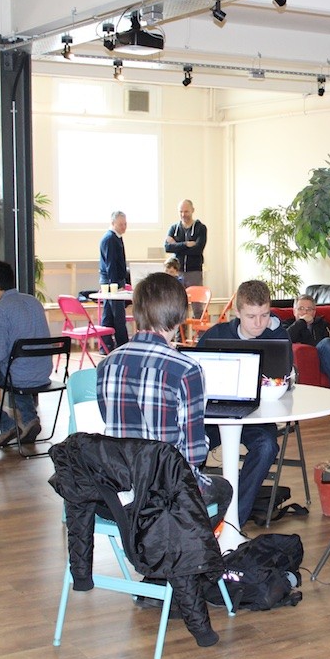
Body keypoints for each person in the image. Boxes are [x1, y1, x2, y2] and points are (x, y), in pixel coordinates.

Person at [96, 272, 232, 523]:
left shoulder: (107, 363)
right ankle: (180, 546)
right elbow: (194, 455)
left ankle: (152, 540)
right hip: (166, 488)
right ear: (180, 315)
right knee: (223, 489)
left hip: (120, 489)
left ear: (137, 310)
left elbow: (110, 421)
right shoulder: (187, 369)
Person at [198, 279, 289, 526]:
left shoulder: (277, 337)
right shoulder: (216, 335)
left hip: (258, 416)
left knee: (267, 447)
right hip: (214, 415)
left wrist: (276, 329)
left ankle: (232, 521)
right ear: (237, 313)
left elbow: (284, 381)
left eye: (264, 315)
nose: (258, 323)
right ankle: (194, 513)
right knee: (190, 445)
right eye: (251, 316)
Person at [0, 261, 52, 448]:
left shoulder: (0, 310)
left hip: (18, 373)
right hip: (43, 370)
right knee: (14, 368)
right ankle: (30, 420)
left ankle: (6, 426)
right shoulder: (33, 302)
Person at [284, 293, 330, 389]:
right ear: (294, 311)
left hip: (324, 359)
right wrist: (301, 322)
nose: (305, 312)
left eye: (309, 309)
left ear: (314, 312)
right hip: (306, 362)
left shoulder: (323, 324)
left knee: (327, 343)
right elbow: (285, 339)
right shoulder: (288, 325)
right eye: (300, 308)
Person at [99, 210, 129, 351]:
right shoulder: (110, 239)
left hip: (113, 281)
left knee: (109, 315)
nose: (124, 227)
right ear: (113, 223)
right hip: (112, 282)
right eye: (121, 224)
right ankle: (122, 345)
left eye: (125, 224)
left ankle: (105, 345)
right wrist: (115, 285)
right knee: (118, 316)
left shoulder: (116, 237)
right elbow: (111, 264)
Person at [164, 199, 207, 287]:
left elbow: (198, 250)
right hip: (177, 272)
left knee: (195, 295)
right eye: (181, 212)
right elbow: (167, 248)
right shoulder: (173, 228)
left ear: (192, 210)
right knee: (177, 295)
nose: (183, 214)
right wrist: (185, 244)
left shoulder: (201, 228)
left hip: (194, 272)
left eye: (186, 211)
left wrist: (176, 246)